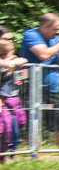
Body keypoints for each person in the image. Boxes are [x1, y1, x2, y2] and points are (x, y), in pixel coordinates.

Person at [20, 13, 59, 158]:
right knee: (34, 123)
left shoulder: (56, 39)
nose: (58, 32)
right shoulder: (31, 35)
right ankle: (36, 157)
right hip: (32, 87)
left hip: (52, 88)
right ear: (45, 26)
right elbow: (43, 55)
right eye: (56, 29)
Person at [0, 29, 28, 161]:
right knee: (3, 126)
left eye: (11, 39)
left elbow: (23, 61)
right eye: (6, 39)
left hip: (12, 98)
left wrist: (13, 62)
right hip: (2, 98)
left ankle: (6, 153)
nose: (9, 42)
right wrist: (8, 63)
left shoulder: (14, 59)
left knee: (15, 124)